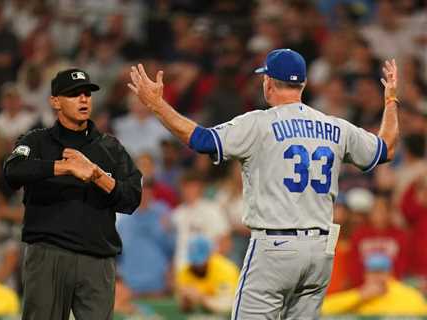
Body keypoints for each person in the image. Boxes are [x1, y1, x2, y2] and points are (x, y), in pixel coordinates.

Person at [128, 49, 399, 319]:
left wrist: (156, 105)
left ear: (268, 82)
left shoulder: (259, 124)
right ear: (302, 84)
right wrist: (390, 100)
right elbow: (385, 149)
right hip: (320, 250)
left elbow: (202, 141)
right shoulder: (335, 127)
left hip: (276, 247)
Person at [3, 68, 142, 320]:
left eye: (87, 94)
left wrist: (96, 174)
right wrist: (63, 166)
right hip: (48, 255)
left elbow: (132, 198)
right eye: (74, 94)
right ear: (55, 101)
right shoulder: (36, 141)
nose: (83, 99)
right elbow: (13, 171)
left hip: (97, 260)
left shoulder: (110, 148)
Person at [322, 253, 427, 316]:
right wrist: (360, 297)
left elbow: (421, 312)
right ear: (365, 275)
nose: (377, 276)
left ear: (390, 273)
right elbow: (322, 309)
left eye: (381, 272)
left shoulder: (409, 295)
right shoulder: (359, 296)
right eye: (373, 272)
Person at [176, 235, 240, 314]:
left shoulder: (225, 269)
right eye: (193, 260)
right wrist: (186, 301)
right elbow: (183, 309)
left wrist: (201, 298)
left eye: (201, 261)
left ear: (210, 255)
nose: (197, 265)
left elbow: (227, 306)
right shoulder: (185, 272)